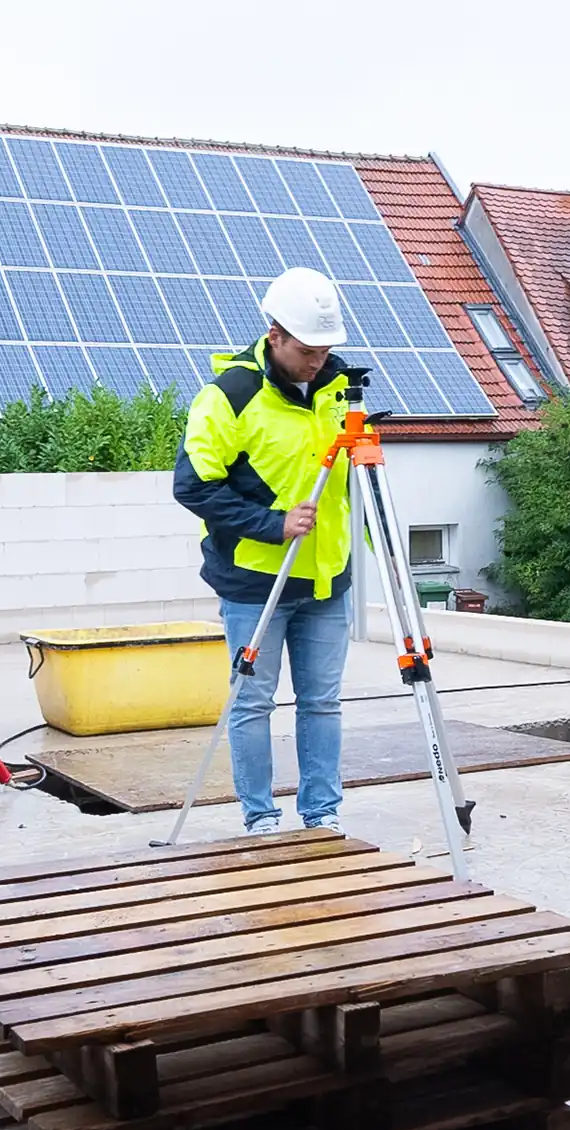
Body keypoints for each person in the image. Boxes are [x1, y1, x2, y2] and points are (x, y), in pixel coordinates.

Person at [174, 267, 355, 835]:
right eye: (307, 351)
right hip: (257, 582)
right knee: (253, 705)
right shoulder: (229, 396)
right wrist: (271, 525)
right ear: (274, 334)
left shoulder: (339, 388)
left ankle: (321, 814)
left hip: (327, 577)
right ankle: (260, 816)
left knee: (322, 702)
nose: (317, 362)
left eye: (326, 351)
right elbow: (194, 486)